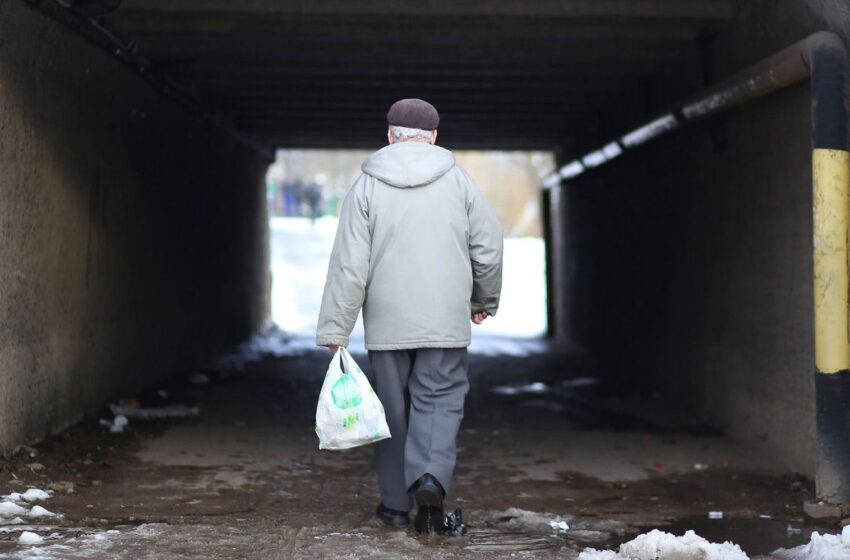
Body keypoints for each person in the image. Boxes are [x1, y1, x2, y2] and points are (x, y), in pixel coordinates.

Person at [316, 98, 503, 532]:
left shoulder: (365, 187)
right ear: (435, 137)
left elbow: (349, 263)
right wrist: (482, 300)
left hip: (387, 324)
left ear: (389, 136)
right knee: (438, 400)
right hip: (444, 321)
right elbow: (488, 249)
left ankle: (396, 507)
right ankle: (430, 480)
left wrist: (336, 327)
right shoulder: (460, 183)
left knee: (391, 413)